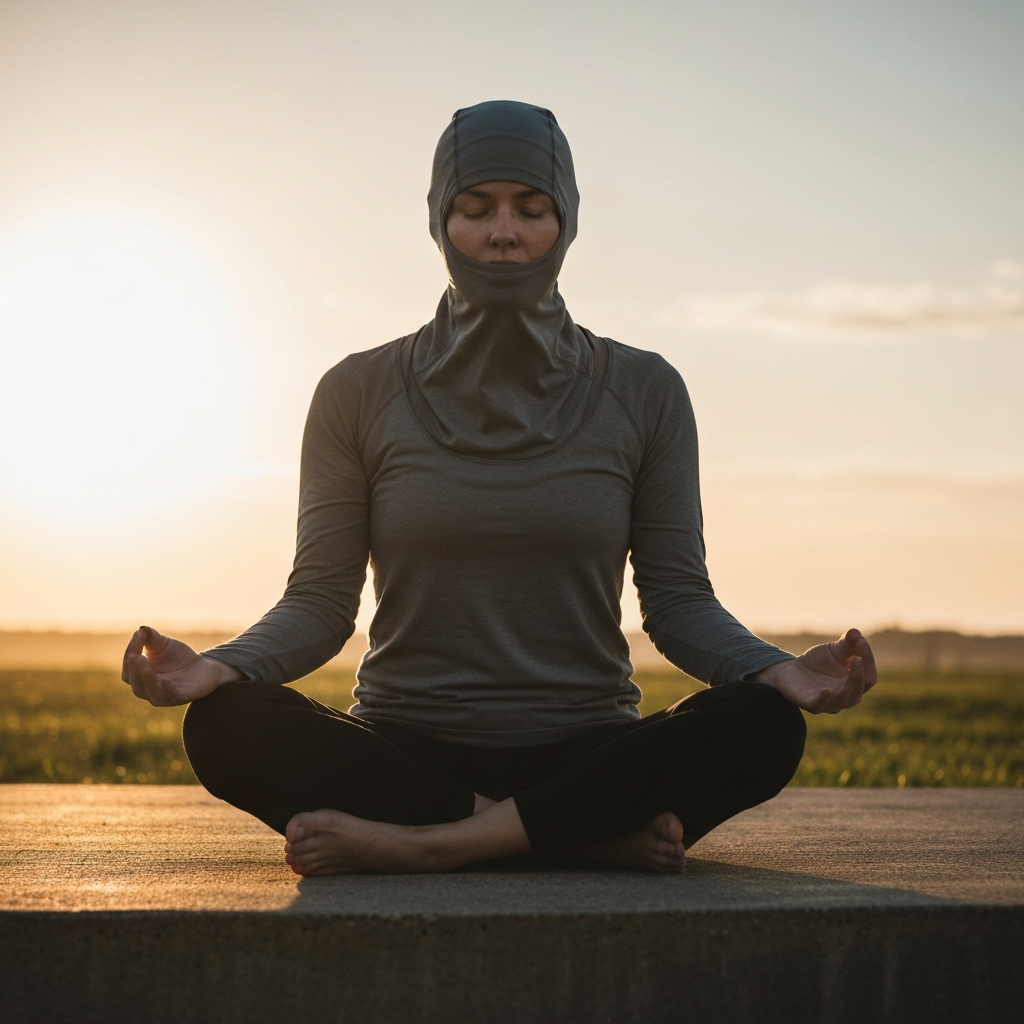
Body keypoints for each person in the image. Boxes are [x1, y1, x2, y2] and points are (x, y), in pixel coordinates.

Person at [122, 100, 876, 876]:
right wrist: (220, 666)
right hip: (409, 751)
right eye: (476, 208)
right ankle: (577, 841)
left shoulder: (646, 390)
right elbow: (319, 601)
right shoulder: (355, 391)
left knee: (764, 723)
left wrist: (776, 669)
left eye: (531, 209)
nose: (503, 233)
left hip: (586, 751)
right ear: (439, 222)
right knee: (224, 723)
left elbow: (679, 600)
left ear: (567, 221)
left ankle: (425, 844)